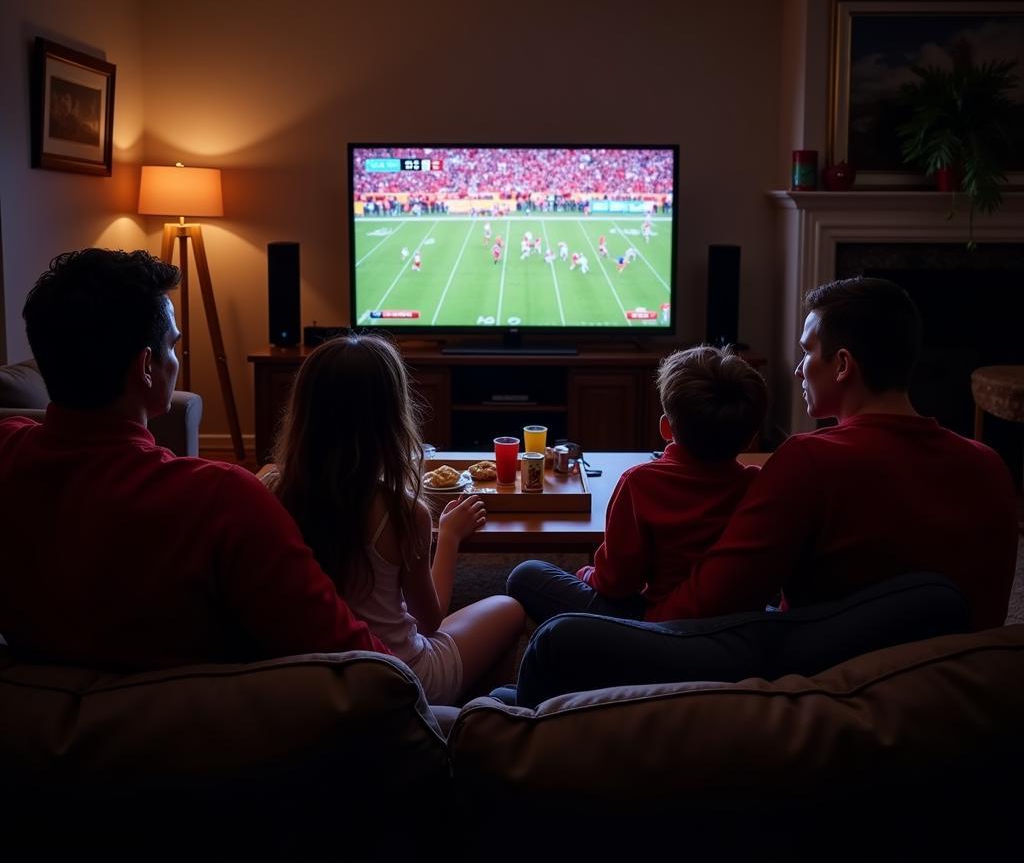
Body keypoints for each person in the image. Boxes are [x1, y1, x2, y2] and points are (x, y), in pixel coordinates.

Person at [509, 278, 1017, 703]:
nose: (797, 369)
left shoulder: (809, 460)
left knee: (551, 623)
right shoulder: (990, 465)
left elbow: (708, 604)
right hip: (952, 694)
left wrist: (636, 633)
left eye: (807, 352)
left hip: (810, 677)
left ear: (842, 366)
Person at [0, 249, 386, 673]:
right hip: (198, 730)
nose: (176, 359)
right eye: (172, 345)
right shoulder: (222, 497)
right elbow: (361, 662)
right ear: (147, 366)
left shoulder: (8, 447)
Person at [264, 334, 525, 705]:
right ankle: (471, 719)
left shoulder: (270, 491)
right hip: (400, 676)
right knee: (508, 608)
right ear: (391, 418)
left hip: (313, 674)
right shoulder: (402, 512)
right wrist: (448, 537)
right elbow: (430, 620)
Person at [507, 346, 767, 624]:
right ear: (751, 437)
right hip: (737, 624)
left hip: (658, 627)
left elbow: (616, 584)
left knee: (525, 576)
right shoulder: (760, 484)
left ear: (665, 428)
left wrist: (583, 575)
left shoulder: (640, 482)